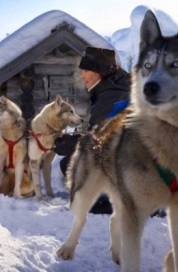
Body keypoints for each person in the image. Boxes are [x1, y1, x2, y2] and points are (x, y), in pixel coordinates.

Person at [54, 46, 130, 214]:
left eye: (87, 70)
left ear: (100, 71)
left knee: (72, 164)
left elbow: (99, 138)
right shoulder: (117, 87)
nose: (82, 75)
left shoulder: (113, 96)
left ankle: (105, 203)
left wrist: (71, 143)